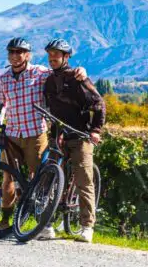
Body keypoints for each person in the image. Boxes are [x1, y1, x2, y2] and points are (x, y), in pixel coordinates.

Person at [0, 36, 87, 238]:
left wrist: (82, 72)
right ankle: (5, 221)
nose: (15, 56)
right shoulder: (4, 79)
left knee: (39, 178)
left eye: (20, 52)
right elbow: (1, 105)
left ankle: (44, 223)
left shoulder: (40, 73)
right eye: (12, 52)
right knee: (8, 177)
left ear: (28, 55)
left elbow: (63, 74)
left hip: (35, 133)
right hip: (12, 134)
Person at [42, 38, 105, 243]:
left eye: (57, 54)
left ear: (66, 57)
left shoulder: (78, 77)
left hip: (80, 136)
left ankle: (87, 226)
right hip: (58, 136)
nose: (53, 58)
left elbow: (99, 103)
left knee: (84, 180)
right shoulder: (49, 81)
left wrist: (95, 130)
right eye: (50, 54)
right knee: (48, 178)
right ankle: (48, 222)